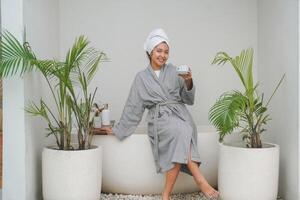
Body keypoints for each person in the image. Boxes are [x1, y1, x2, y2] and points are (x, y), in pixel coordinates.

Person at [99, 28, 219, 200]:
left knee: (183, 129)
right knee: (180, 131)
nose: (163, 55)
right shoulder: (141, 78)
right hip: (160, 119)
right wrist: (118, 129)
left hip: (180, 114)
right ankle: (200, 181)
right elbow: (133, 107)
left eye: (166, 52)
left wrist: (188, 81)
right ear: (150, 51)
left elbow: (187, 99)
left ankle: (166, 194)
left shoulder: (174, 71)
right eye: (159, 51)